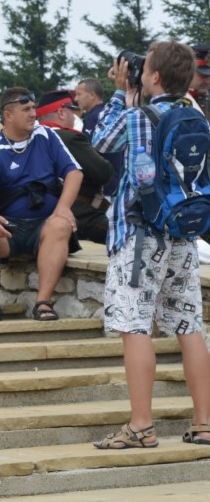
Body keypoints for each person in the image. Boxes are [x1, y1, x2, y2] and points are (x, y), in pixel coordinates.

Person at [91, 41, 210, 450]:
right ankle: (204, 423)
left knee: (134, 326)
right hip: (183, 233)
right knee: (189, 327)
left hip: (139, 237)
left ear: (154, 76)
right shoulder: (194, 114)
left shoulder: (138, 115)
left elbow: (101, 143)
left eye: (143, 70)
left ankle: (141, 426)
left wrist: (118, 95)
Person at [0, 87, 83, 322]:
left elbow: (74, 172)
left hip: (45, 225)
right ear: (8, 116)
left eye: (33, 108)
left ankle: (43, 302)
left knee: (60, 225)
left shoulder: (46, 136)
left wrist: (63, 208)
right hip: (8, 230)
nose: (33, 114)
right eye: (26, 109)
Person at [35, 90, 113, 243]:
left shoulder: (32, 138)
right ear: (61, 113)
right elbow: (104, 172)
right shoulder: (69, 138)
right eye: (71, 111)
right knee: (130, 235)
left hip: (42, 215)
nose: (74, 116)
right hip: (80, 216)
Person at [75, 77, 124, 198]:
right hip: (118, 181)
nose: (76, 99)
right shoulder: (109, 114)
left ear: (92, 95)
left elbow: (89, 155)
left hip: (105, 187)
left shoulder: (94, 117)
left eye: (79, 94)